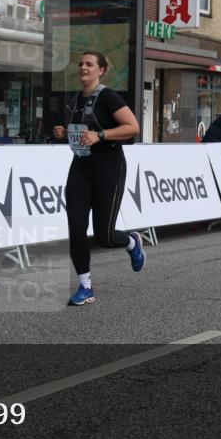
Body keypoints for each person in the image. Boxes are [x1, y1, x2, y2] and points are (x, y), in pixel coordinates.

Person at [52, 51, 144, 307]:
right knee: (76, 228)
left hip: (109, 167)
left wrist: (100, 135)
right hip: (80, 167)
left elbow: (133, 127)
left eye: (89, 64)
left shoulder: (108, 96)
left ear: (101, 70)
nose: (83, 67)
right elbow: (81, 133)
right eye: (80, 63)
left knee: (104, 236)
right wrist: (64, 132)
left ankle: (132, 241)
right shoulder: (76, 99)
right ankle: (85, 286)